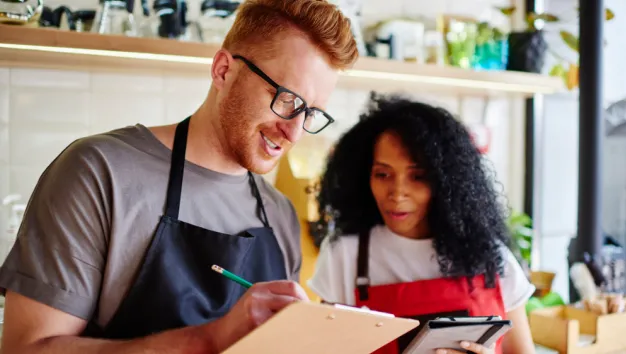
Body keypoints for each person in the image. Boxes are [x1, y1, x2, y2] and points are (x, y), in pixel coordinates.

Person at [0, 1, 359, 353]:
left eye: (310, 113)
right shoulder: (98, 172)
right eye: (286, 99)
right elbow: (25, 348)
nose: (294, 133)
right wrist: (208, 340)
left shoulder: (278, 213)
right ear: (223, 71)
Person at [308, 94, 537, 354]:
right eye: (383, 174)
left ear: (446, 182)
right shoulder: (345, 255)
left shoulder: (490, 256)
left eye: (417, 176)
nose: (397, 192)